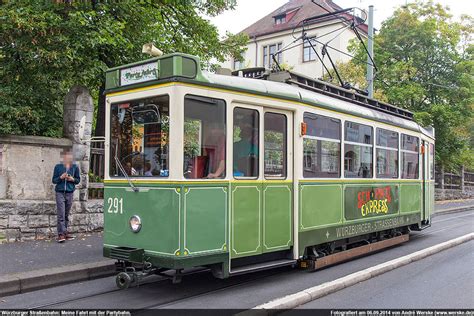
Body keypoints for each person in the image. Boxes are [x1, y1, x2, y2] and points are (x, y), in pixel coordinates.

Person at [52, 149, 80, 243]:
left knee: (66, 214)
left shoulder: (75, 167)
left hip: (69, 192)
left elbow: (78, 180)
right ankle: (60, 234)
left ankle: (65, 232)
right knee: (61, 214)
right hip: (60, 192)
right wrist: (61, 177)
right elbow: (54, 180)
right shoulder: (58, 167)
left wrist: (72, 179)